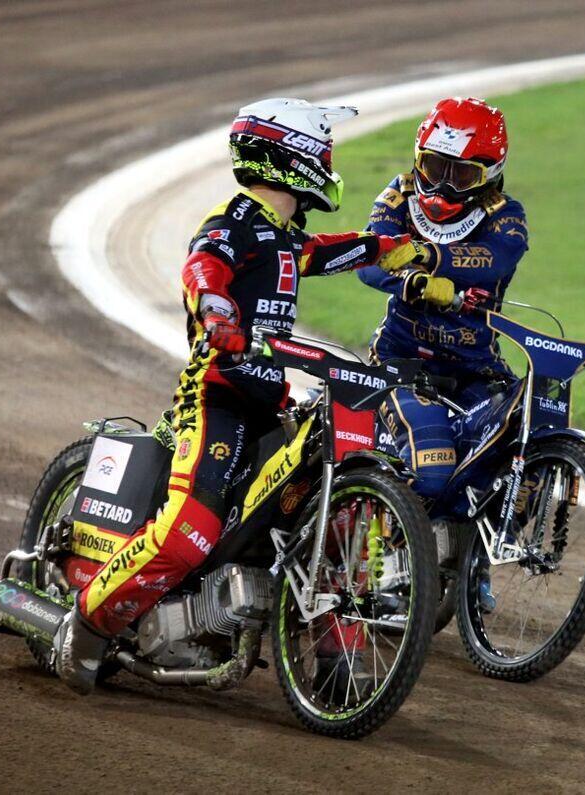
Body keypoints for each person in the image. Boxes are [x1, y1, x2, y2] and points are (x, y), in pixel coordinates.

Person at [55, 98, 423, 694]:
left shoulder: (283, 236)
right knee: (189, 532)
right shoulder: (234, 220)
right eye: (322, 151)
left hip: (269, 405)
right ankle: (86, 626)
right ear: (290, 159)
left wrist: (393, 248)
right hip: (216, 399)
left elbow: (322, 252)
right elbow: (203, 266)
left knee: (325, 512)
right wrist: (217, 312)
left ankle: (334, 657)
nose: (329, 163)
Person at [356, 97, 529, 501]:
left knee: (525, 436)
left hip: (477, 367)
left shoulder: (506, 214)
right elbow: (368, 259)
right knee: (433, 470)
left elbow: (496, 258)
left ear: (490, 173)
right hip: (401, 362)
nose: (442, 186)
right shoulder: (398, 195)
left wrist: (427, 255)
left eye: (462, 175)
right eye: (435, 168)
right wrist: (411, 282)